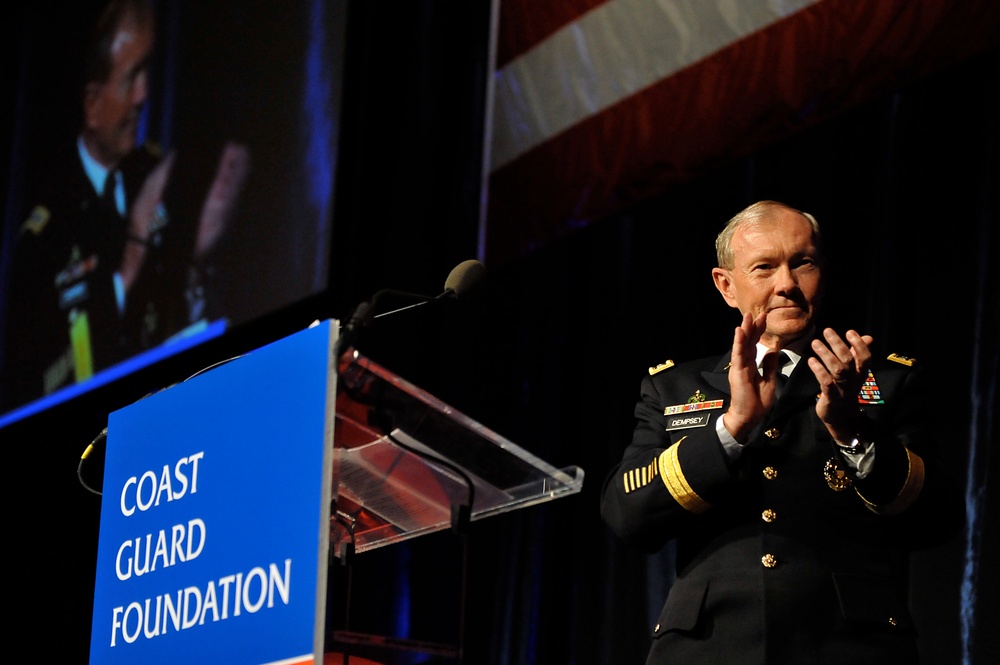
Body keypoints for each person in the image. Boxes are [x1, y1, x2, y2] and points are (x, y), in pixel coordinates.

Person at [600, 200, 963, 664]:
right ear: (726, 286)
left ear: (822, 273)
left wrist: (852, 431)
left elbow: (938, 519)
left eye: (802, 263)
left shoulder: (885, 381)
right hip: (709, 647)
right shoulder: (673, 386)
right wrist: (732, 429)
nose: (787, 284)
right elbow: (626, 515)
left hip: (850, 645)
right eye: (764, 267)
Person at [2, 0, 249, 409]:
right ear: (92, 105)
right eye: (130, 78)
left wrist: (202, 250)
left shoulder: (158, 175)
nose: (143, 95)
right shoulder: (47, 231)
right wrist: (132, 254)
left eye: (147, 72)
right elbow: (34, 385)